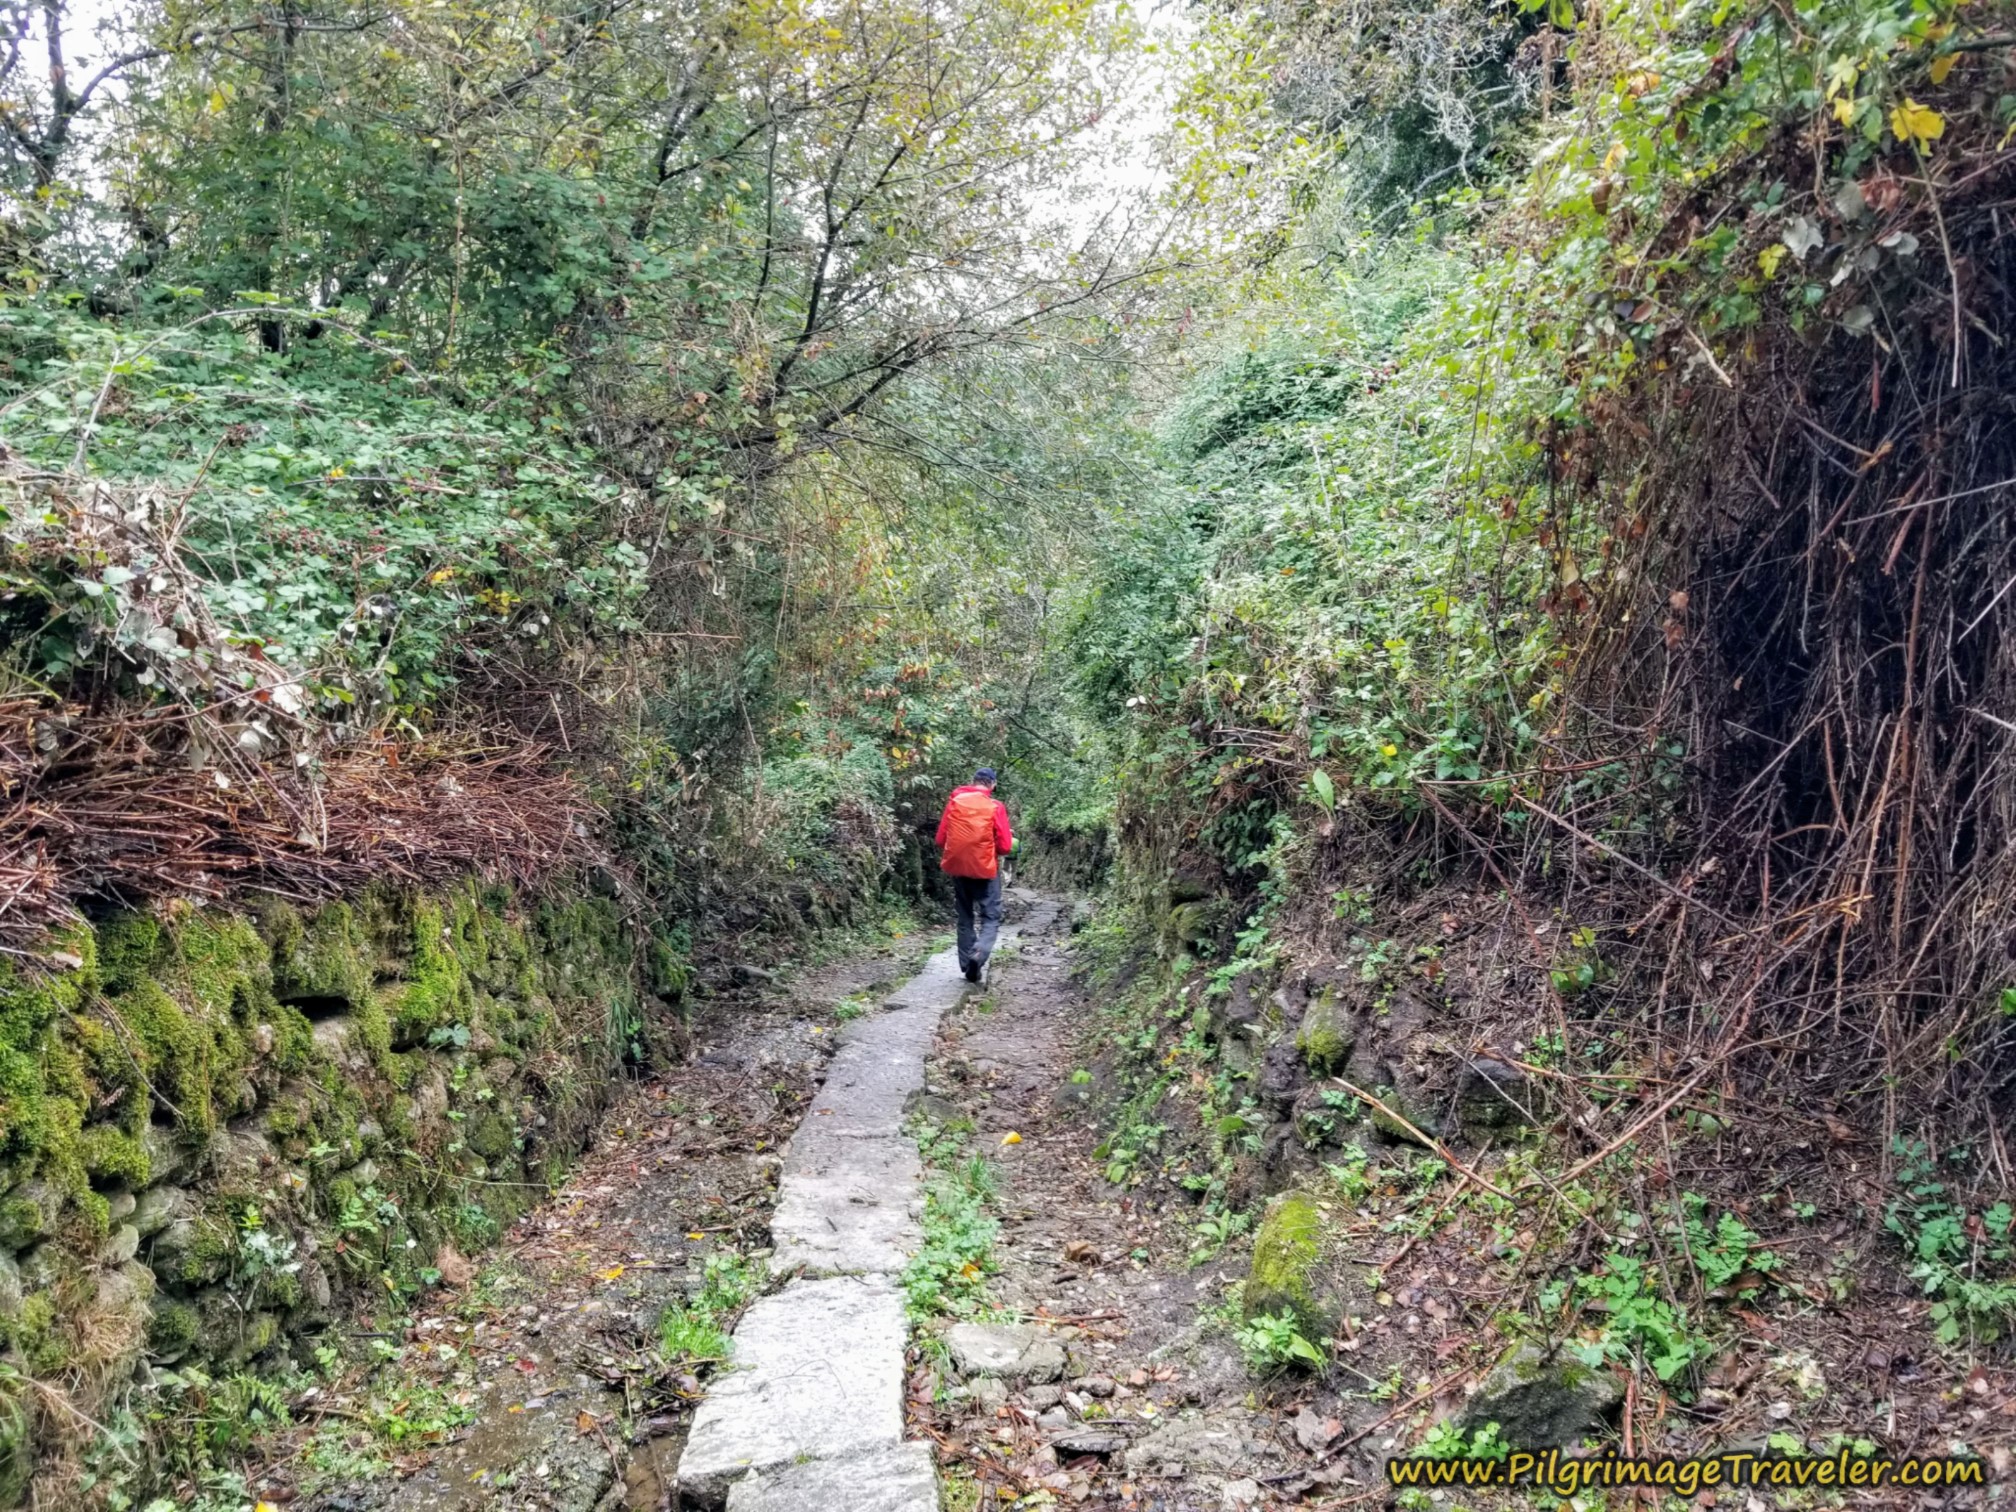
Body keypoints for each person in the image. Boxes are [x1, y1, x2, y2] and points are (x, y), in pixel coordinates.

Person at [936, 767, 1015, 984]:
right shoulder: (995, 806)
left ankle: (966, 965)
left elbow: (941, 839)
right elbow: (1006, 846)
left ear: (973, 782)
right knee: (991, 916)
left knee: (965, 915)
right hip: (985, 870)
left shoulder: (955, 802)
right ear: (993, 784)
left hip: (959, 869)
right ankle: (978, 953)